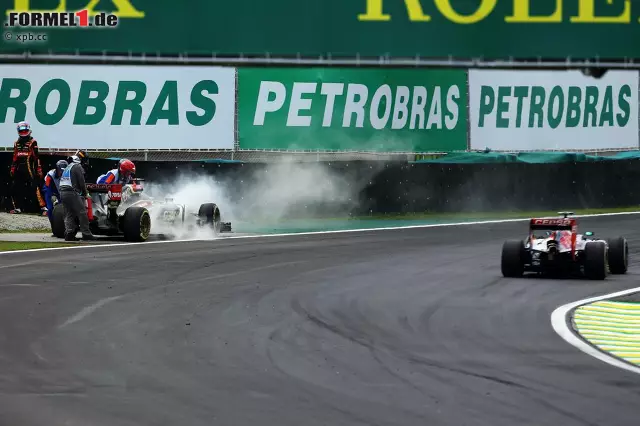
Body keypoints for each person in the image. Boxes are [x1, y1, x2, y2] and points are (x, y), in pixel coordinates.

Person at [8, 121, 46, 214]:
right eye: (22, 130)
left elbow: (36, 157)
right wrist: (13, 168)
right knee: (16, 187)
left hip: (30, 169)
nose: (24, 131)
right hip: (19, 169)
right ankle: (17, 207)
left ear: (29, 130)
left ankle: (43, 208)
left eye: (25, 130)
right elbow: (15, 157)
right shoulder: (16, 143)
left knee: (35, 187)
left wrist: (39, 169)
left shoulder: (33, 142)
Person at [58, 150, 94, 241]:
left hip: (62, 192)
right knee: (82, 212)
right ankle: (86, 234)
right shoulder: (77, 166)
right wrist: (85, 194)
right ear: (82, 159)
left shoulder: (68, 166)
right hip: (71, 192)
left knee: (69, 213)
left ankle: (69, 234)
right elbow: (81, 182)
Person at [42, 159, 68, 225]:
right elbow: (47, 186)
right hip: (50, 189)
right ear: (57, 169)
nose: (62, 173)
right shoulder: (50, 174)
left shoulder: (68, 175)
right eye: (60, 171)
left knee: (65, 207)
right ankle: (53, 225)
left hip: (61, 191)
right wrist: (52, 196)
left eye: (64, 171)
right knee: (50, 208)